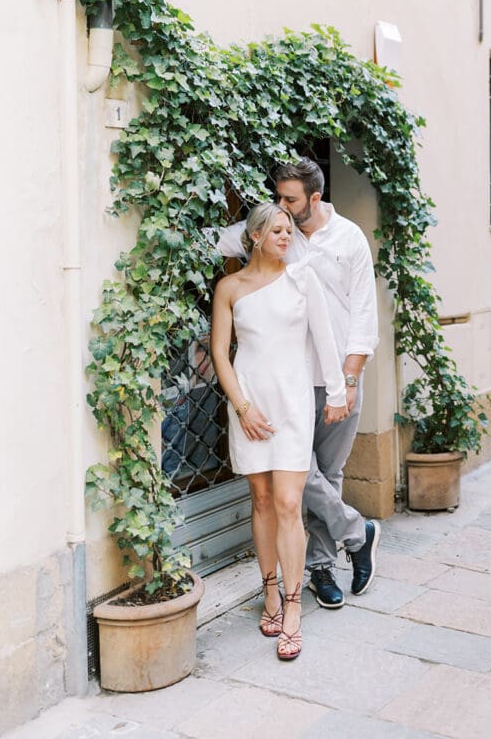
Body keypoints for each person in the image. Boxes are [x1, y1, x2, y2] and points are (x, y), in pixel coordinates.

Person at [218, 158, 380, 610]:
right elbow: (222, 240)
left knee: (326, 473)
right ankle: (357, 532)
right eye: (277, 199)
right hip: (287, 380)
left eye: (289, 199)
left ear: (314, 198)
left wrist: (346, 382)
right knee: (301, 477)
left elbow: (364, 317)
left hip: (336, 377)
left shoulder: (349, 240)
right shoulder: (276, 229)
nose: (280, 206)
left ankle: (322, 568)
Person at [211, 202, 347, 660]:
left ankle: (292, 605)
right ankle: (268, 589)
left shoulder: (302, 278)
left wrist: (336, 392)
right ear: (254, 237)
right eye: (277, 231)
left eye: (290, 230)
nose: (287, 237)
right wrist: (243, 408)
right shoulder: (229, 288)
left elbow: (325, 339)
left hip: (291, 406)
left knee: (289, 502)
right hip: (250, 407)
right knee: (263, 500)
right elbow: (220, 356)